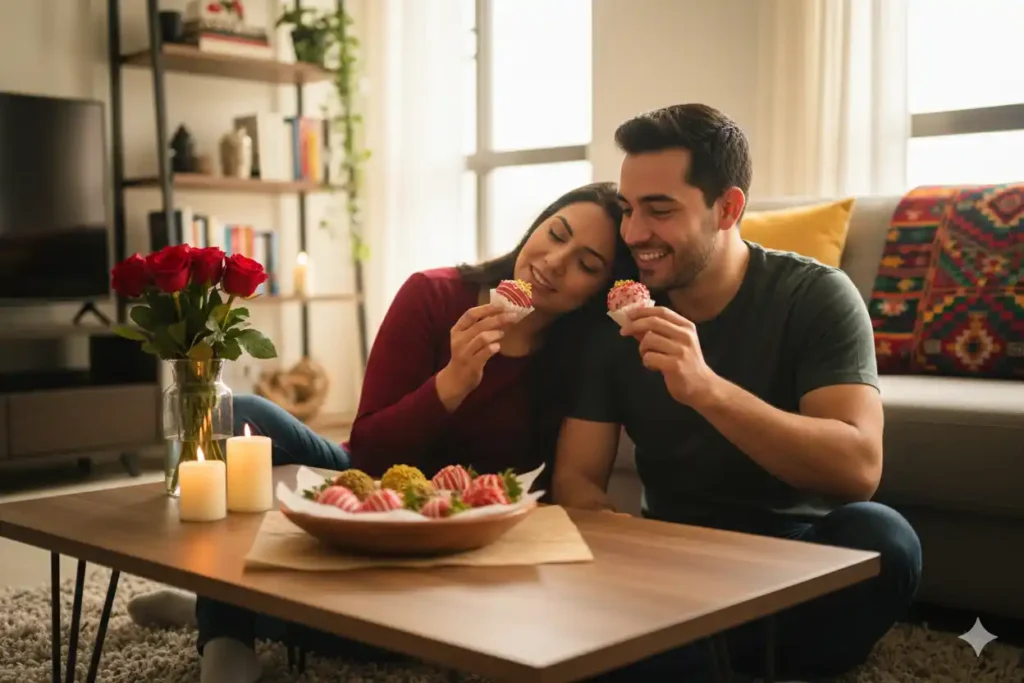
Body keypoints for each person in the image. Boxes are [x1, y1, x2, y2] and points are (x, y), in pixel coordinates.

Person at [129, 181, 637, 683]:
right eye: (556, 233)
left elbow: (541, 489)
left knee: (389, 645)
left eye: (586, 264)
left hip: (463, 529)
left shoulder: (581, 356)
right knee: (238, 409)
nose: (554, 260)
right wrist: (451, 384)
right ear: (535, 226)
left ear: (600, 290)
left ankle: (215, 605)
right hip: (369, 481)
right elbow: (369, 449)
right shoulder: (434, 294)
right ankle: (224, 629)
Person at [553, 104, 922, 682]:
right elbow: (576, 480)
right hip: (674, 568)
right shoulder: (615, 319)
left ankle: (714, 658)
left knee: (886, 539)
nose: (633, 234)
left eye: (659, 211)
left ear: (728, 208)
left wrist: (706, 389)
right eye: (628, 210)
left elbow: (857, 468)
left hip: (795, 560)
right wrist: (628, 550)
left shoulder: (817, 296)